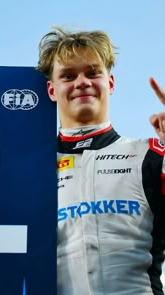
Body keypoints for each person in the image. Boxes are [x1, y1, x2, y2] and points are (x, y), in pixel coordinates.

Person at [37, 26, 165, 294]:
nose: (82, 82)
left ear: (110, 83)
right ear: (51, 90)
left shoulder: (150, 155)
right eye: (69, 75)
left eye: (93, 72)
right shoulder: (31, 168)